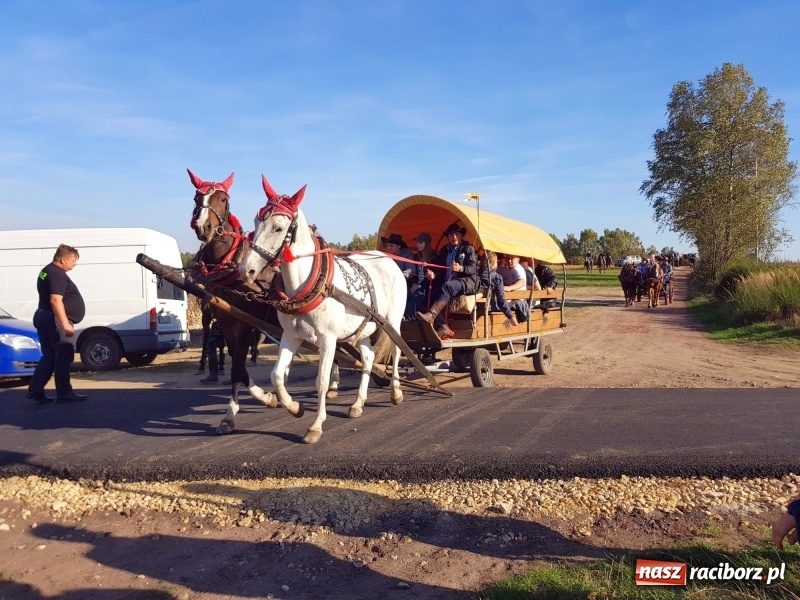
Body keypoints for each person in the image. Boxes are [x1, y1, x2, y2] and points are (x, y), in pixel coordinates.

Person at [26, 244, 88, 403]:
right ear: (63, 259)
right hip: (54, 320)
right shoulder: (57, 275)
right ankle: (64, 393)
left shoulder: (46, 271)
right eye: (73, 260)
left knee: (50, 356)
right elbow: (55, 300)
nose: (75, 264)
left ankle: (35, 390)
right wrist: (65, 323)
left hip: (43, 316)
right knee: (63, 354)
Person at [416, 222, 479, 338]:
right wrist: (434, 275)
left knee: (447, 286)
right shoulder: (444, 250)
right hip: (449, 283)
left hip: (468, 281)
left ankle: (431, 315)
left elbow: (474, 268)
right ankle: (443, 327)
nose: (453, 237)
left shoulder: (468, 249)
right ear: (448, 237)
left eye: (456, 234)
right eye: (451, 235)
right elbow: (441, 271)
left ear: (461, 236)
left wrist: (461, 268)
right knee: (426, 298)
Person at [480, 251, 518, 326]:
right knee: (517, 304)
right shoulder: (497, 278)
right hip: (489, 307)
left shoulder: (475, 274)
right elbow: (501, 300)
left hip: (475, 307)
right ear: (494, 262)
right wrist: (510, 316)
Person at [405, 232, 437, 319]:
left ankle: (410, 317)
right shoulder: (416, 257)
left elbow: (434, 276)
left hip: (428, 286)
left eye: (421, 242)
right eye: (417, 242)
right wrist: (414, 283)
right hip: (416, 285)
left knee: (418, 294)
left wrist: (419, 285)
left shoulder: (434, 257)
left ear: (427, 243)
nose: (418, 244)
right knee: (404, 292)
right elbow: (414, 273)